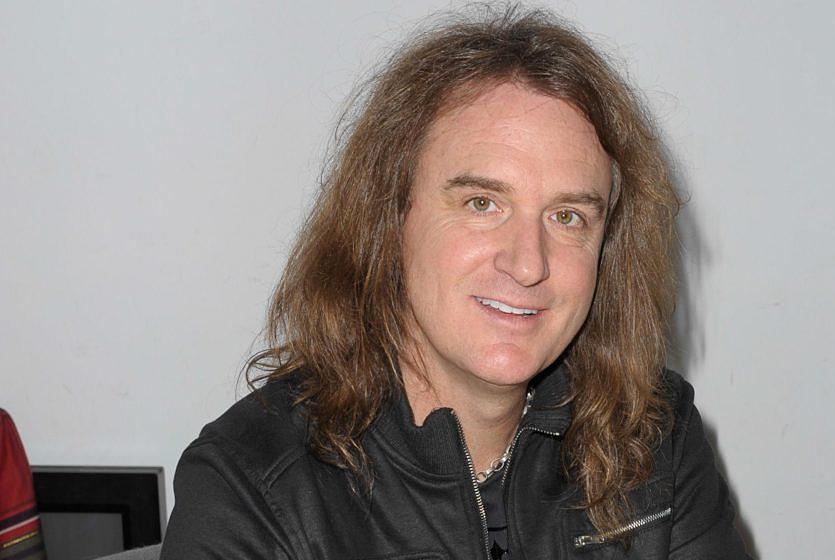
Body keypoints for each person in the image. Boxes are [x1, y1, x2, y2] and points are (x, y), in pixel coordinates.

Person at [161, 6, 751, 559]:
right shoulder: (248, 485)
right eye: (482, 203)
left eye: (568, 216)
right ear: (390, 217)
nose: (528, 264)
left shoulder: (656, 438)